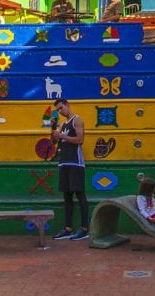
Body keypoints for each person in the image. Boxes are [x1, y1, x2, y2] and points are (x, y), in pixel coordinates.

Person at [51, 99, 90, 240]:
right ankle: (68, 228)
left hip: (75, 163)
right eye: (58, 110)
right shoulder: (62, 125)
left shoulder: (77, 120)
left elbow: (80, 140)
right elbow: (55, 142)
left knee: (80, 194)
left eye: (61, 108)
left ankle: (85, 228)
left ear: (67, 105)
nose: (60, 112)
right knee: (67, 196)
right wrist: (53, 130)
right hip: (64, 162)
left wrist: (62, 135)